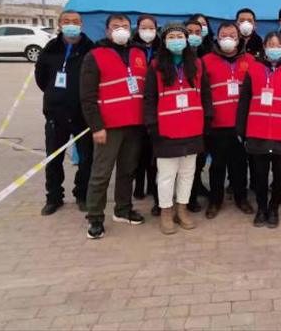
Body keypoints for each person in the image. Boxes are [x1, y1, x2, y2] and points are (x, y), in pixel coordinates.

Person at [80, 14, 147, 239]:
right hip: (108, 127)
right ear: (107, 30)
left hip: (135, 124)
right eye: (115, 26)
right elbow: (87, 96)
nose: (121, 30)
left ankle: (123, 209)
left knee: (127, 171)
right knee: (101, 173)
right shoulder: (95, 55)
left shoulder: (139, 53)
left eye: (125, 26)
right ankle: (95, 218)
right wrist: (96, 127)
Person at [143, 23, 213, 234]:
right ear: (164, 41)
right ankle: (166, 211)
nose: (176, 40)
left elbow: (206, 94)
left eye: (179, 36)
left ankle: (182, 209)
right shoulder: (155, 66)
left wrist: (207, 119)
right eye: (171, 37)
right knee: (166, 175)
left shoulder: (197, 64)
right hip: (166, 129)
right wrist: (152, 124)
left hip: (192, 126)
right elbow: (149, 98)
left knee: (187, 173)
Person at [236, 33, 281, 228]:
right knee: (259, 175)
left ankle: (274, 208)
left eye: (278, 45)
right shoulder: (253, 69)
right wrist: (240, 128)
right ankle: (261, 209)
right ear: (264, 46)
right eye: (271, 44)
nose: (274, 48)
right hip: (257, 132)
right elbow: (244, 101)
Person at [35, 10, 94, 215]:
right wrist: (55, 95)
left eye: (75, 22)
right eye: (67, 21)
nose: (71, 25)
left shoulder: (90, 49)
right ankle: (54, 197)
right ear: (59, 25)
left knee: (86, 158)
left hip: (83, 114)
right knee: (54, 158)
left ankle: (82, 194)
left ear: (82, 25)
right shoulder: (50, 49)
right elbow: (41, 78)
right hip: (56, 114)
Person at [202, 22, 256, 219]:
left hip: (241, 123)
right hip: (217, 123)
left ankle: (241, 198)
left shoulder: (250, 60)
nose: (228, 39)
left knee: (240, 164)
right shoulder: (206, 61)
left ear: (239, 38)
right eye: (224, 35)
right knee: (217, 165)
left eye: (232, 35)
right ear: (217, 38)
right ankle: (215, 200)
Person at [131, 15, 161, 216]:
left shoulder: (162, 48)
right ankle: (138, 185)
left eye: (151, 28)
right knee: (138, 151)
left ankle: (152, 185)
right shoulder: (132, 48)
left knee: (154, 150)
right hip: (135, 106)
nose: (147, 31)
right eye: (144, 27)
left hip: (156, 105)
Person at [185, 19, 211, 212]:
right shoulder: (172, 57)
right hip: (177, 116)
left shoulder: (206, 55)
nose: (194, 35)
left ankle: (192, 195)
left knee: (197, 159)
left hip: (200, 115)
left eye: (198, 31)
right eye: (190, 32)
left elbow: (206, 91)